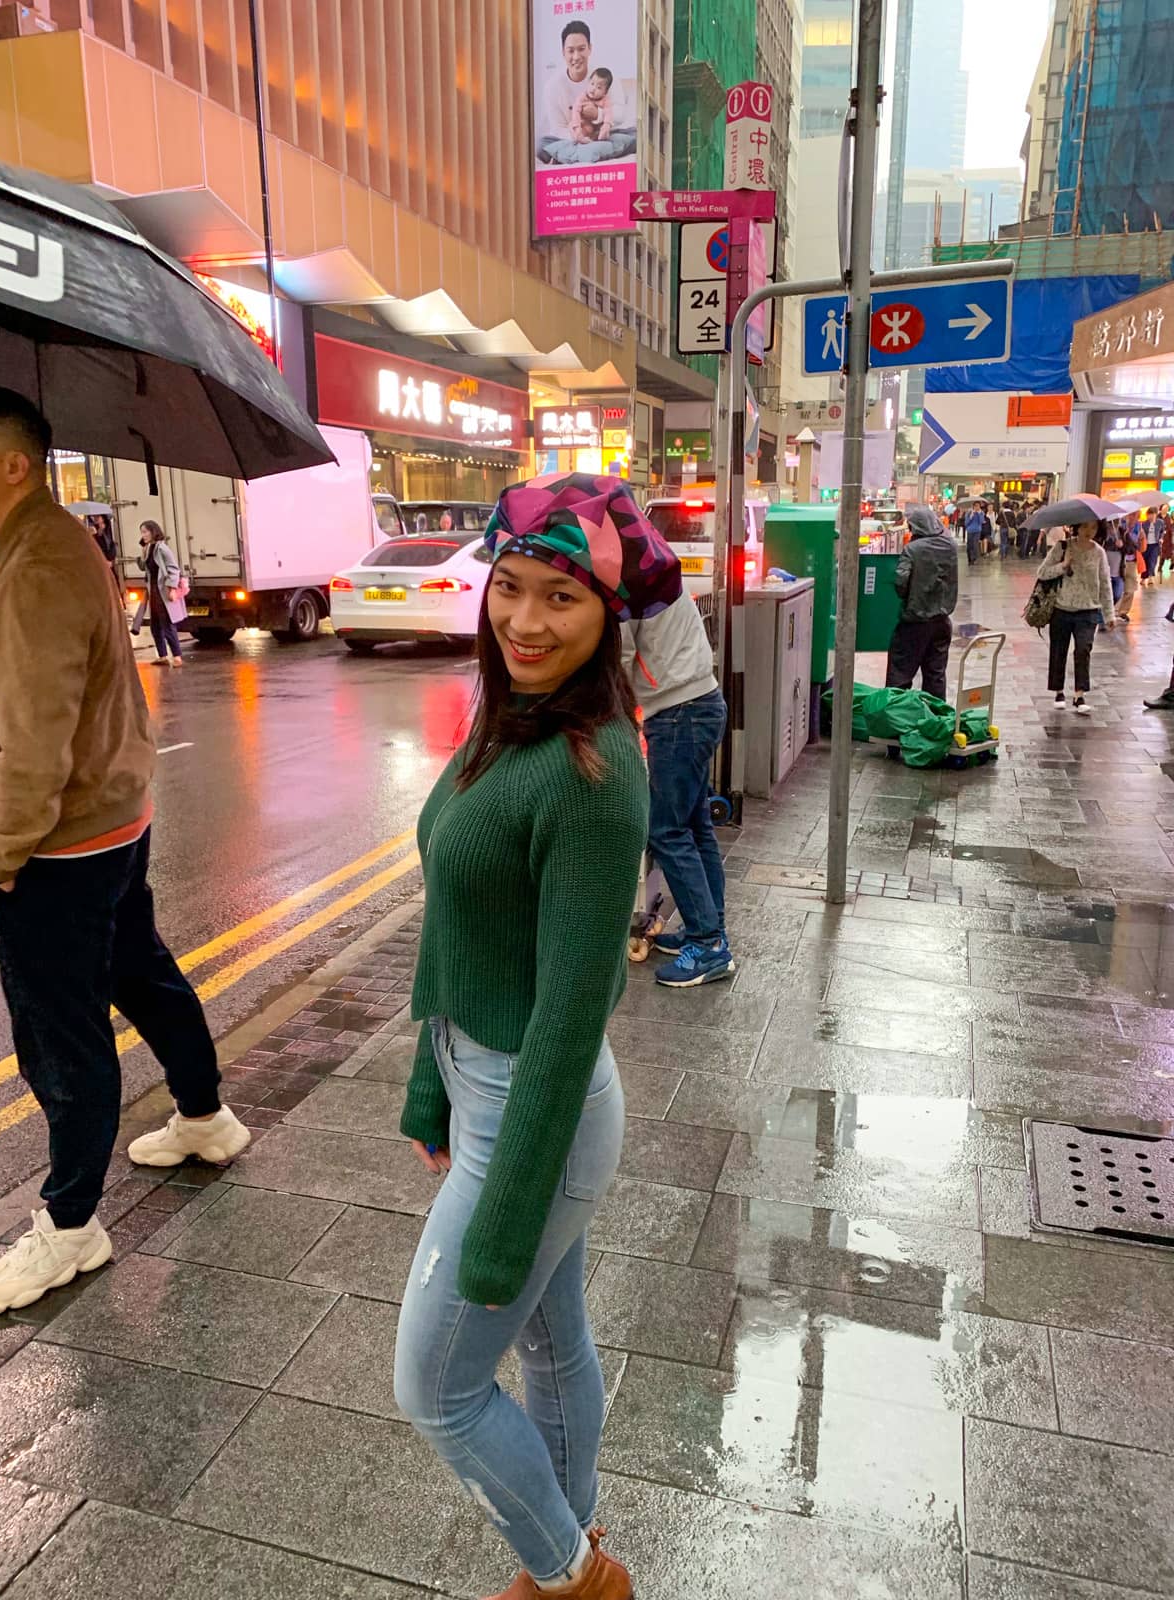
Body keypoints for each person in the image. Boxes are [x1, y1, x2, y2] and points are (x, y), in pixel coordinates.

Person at [394, 475, 679, 1600]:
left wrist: (506, 1217)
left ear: (605, 612)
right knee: (552, 1346)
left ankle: (572, 1576)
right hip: (484, 1085)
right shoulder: (506, 720)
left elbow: (572, 1012)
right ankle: (571, 1544)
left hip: (539, 1114)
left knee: (436, 1387)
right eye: (507, 588)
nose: (523, 620)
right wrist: (431, 1081)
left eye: (559, 596)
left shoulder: (593, 774)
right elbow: (458, 925)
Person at [0, 387, 249, 1319]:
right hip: (113, 817)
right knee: (142, 971)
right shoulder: (55, 542)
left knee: (62, 1033)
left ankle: (70, 1226)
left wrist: (3, 850)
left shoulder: (38, 562)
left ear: (14, 462)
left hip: (57, 842)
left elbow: (38, 730)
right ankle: (206, 1117)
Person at [621, 587, 732, 988]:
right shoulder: (659, 576)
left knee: (666, 830)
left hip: (676, 715)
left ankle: (708, 944)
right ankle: (708, 928)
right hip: (701, 702)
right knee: (695, 826)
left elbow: (619, 661)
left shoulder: (623, 591)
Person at [1038, 517, 1115, 715]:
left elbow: (1105, 584)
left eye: (1093, 527)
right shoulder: (1062, 547)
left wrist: (1109, 614)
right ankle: (1059, 691)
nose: (1089, 530)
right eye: (1085, 526)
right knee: (1058, 650)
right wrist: (1063, 566)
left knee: (1083, 650)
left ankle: (1079, 694)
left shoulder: (1099, 553)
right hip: (1061, 609)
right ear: (1076, 527)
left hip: (1088, 611)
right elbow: (1042, 572)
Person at [537, 20, 636, 167]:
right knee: (541, 145)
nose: (576, 57)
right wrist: (580, 136)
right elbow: (558, 128)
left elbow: (620, 114)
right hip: (573, 137)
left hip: (605, 135)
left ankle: (575, 155)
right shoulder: (552, 87)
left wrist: (597, 114)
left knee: (636, 135)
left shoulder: (605, 75)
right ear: (563, 52)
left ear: (590, 48)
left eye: (581, 49)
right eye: (571, 51)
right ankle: (591, 153)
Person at [885, 505, 959, 700]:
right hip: (942, 621)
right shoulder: (949, 546)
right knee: (936, 675)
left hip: (915, 622)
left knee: (899, 675)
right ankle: (936, 717)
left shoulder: (913, 549)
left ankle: (895, 717)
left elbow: (901, 582)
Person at [138, 519, 186, 666]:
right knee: (155, 625)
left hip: (162, 590)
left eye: (145, 531)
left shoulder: (161, 548)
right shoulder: (148, 548)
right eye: (142, 532)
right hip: (152, 590)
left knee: (167, 623)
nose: (143, 535)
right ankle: (162, 655)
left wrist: (171, 588)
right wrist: (142, 554)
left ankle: (177, 656)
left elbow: (173, 569)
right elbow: (144, 568)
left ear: (153, 532)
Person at [571, 67, 615, 144]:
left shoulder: (605, 100)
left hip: (597, 127)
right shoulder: (582, 97)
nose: (593, 89)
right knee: (574, 126)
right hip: (583, 124)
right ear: (588, 82)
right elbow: (575, 112)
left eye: (599, 87)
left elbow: (608, 113)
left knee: (605, 132)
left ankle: (599, 138)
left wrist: (606, 125)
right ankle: (580, 138)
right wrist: (577, 128)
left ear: (605, 92)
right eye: (592, 84)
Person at [1116, 517, 1142, 623]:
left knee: (1130, 588)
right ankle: (1113, 610)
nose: (1134, 516)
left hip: (1131, 561)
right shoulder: (1116, 527)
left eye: (1136, 514)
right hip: (1118, 561)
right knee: (1116, 587)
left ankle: (1123, 611)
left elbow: (1138, 546)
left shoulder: (1138, 527)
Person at [964, 501, 987, 566]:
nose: (977, 507)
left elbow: (981, 522)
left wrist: (979, 514)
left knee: (975, 544)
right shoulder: (969, 513)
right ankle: (970, 558)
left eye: (978, 506)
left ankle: (974, 558)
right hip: (970, 531)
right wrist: (971, 517)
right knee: (969, 545)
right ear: (973, 506)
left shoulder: (981, 513)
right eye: (976, 506)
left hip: (977, 530)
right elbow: (966, 523)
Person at [1144, 513, 1163, 587]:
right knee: (1146, 561)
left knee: (1152, 561)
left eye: (1152, 514)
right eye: (1149, 514)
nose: (1151, 516)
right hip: (1146, 545)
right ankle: (1143, 577)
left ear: (1155, 515)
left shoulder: (1160, 522)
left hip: (1155, 545)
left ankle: (1150, 577)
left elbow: (1162, 531)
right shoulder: (1144, 523)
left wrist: (1161, 538)